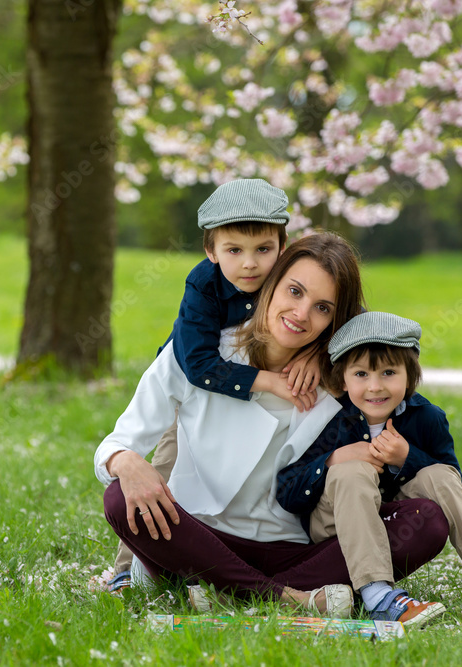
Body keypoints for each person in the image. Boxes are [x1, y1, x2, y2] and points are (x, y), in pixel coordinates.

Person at [95, 237, 450, 617]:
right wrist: (125, 461)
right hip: (201, 537)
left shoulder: (344, 382)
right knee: (120, 498)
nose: (300, 314)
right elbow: (117, 443)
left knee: (425, 521)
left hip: (296, 549)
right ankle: (285, 598)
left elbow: (402, 409)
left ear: (336, 320)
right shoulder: (200, 354)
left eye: (322, 308)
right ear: (271, 281)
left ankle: (225, 590)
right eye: (294, 291)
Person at [107, 179, 322, 593]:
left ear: (283, 245)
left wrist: (316, 352)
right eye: (234, 251)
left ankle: (252, 556)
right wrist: (268, 382)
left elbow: (340, 311)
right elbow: (199, 364)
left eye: (263, 249)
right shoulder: (203, 284)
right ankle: (126, 568)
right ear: (211, 252)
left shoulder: (293, 275)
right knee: (160, 470)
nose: (250, 264)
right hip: (190, 382)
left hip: (242, 389)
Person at [276, 311, 462, 626]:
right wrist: (333, 458)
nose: (374, 387)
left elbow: (450, 484)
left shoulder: (427, 418)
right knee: (353, 470)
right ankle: (378, 596)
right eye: (361, 374)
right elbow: (288, 492)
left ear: (409, 376)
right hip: (334, 524)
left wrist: (406, 458)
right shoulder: (329, 420)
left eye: (388, 372)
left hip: (393, 520)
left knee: (438, 473)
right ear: (342, 377)